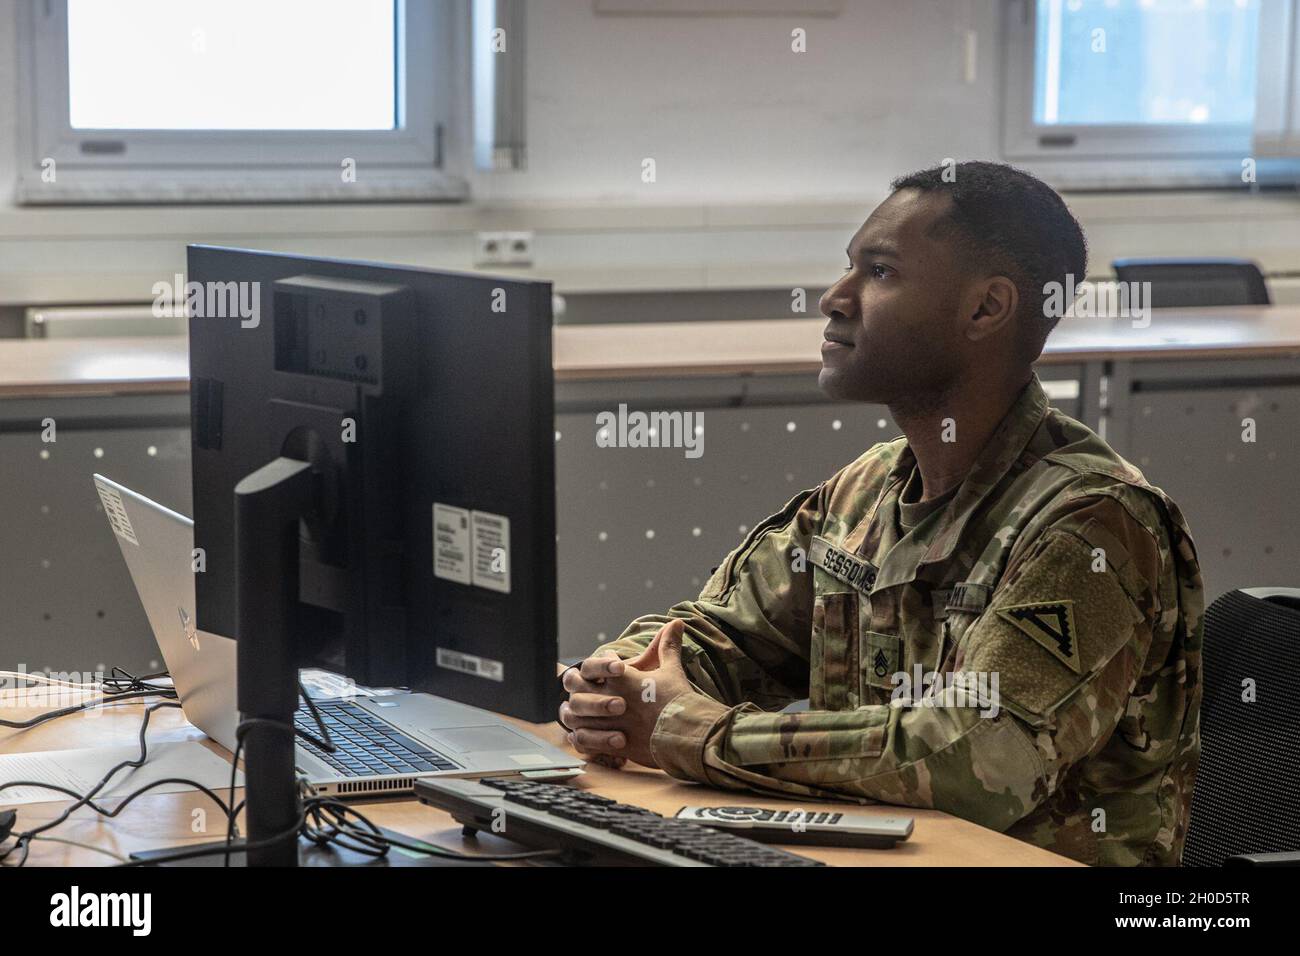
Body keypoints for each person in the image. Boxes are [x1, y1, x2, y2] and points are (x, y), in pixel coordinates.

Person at [559, 161, 1203, 866]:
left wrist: (697, 733)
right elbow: (718, 633)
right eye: (849, 269)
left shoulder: (1092, 523)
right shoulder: (869, 488)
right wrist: (619, 682)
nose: (835, 299)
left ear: (986, 309)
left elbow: (977, 757)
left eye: (881, 272)